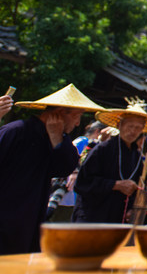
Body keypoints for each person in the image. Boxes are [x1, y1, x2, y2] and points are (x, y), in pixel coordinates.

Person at [0, 84, 104, 255]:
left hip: (30, 218)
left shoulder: (59, 138)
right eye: (76, 116)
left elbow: (65, 168)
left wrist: (56, 138)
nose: (78, 123)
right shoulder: (15, 131)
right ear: (60, 113)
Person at [73, 98, 147, 223]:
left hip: (118, 218)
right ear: (119, 125)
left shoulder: (137, 157)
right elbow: (82, 183)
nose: (133, 131)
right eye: (130, 126)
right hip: (93, 215)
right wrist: (115, 185)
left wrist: (132, 208)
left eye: (138, 127)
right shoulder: (103, 149)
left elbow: (138, 189)